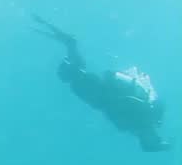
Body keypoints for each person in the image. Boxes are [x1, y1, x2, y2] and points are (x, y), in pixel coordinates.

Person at [31, 14, 170, 152]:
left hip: (101, 97)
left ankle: (67, 42)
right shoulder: (150, 118)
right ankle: (67, 42)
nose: (148, 137)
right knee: (77, 72)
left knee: (76, 74)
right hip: (104, 93)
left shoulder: (133, 126)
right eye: (152, 139)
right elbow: (132, 103)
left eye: (146, 141)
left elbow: (114, 113)